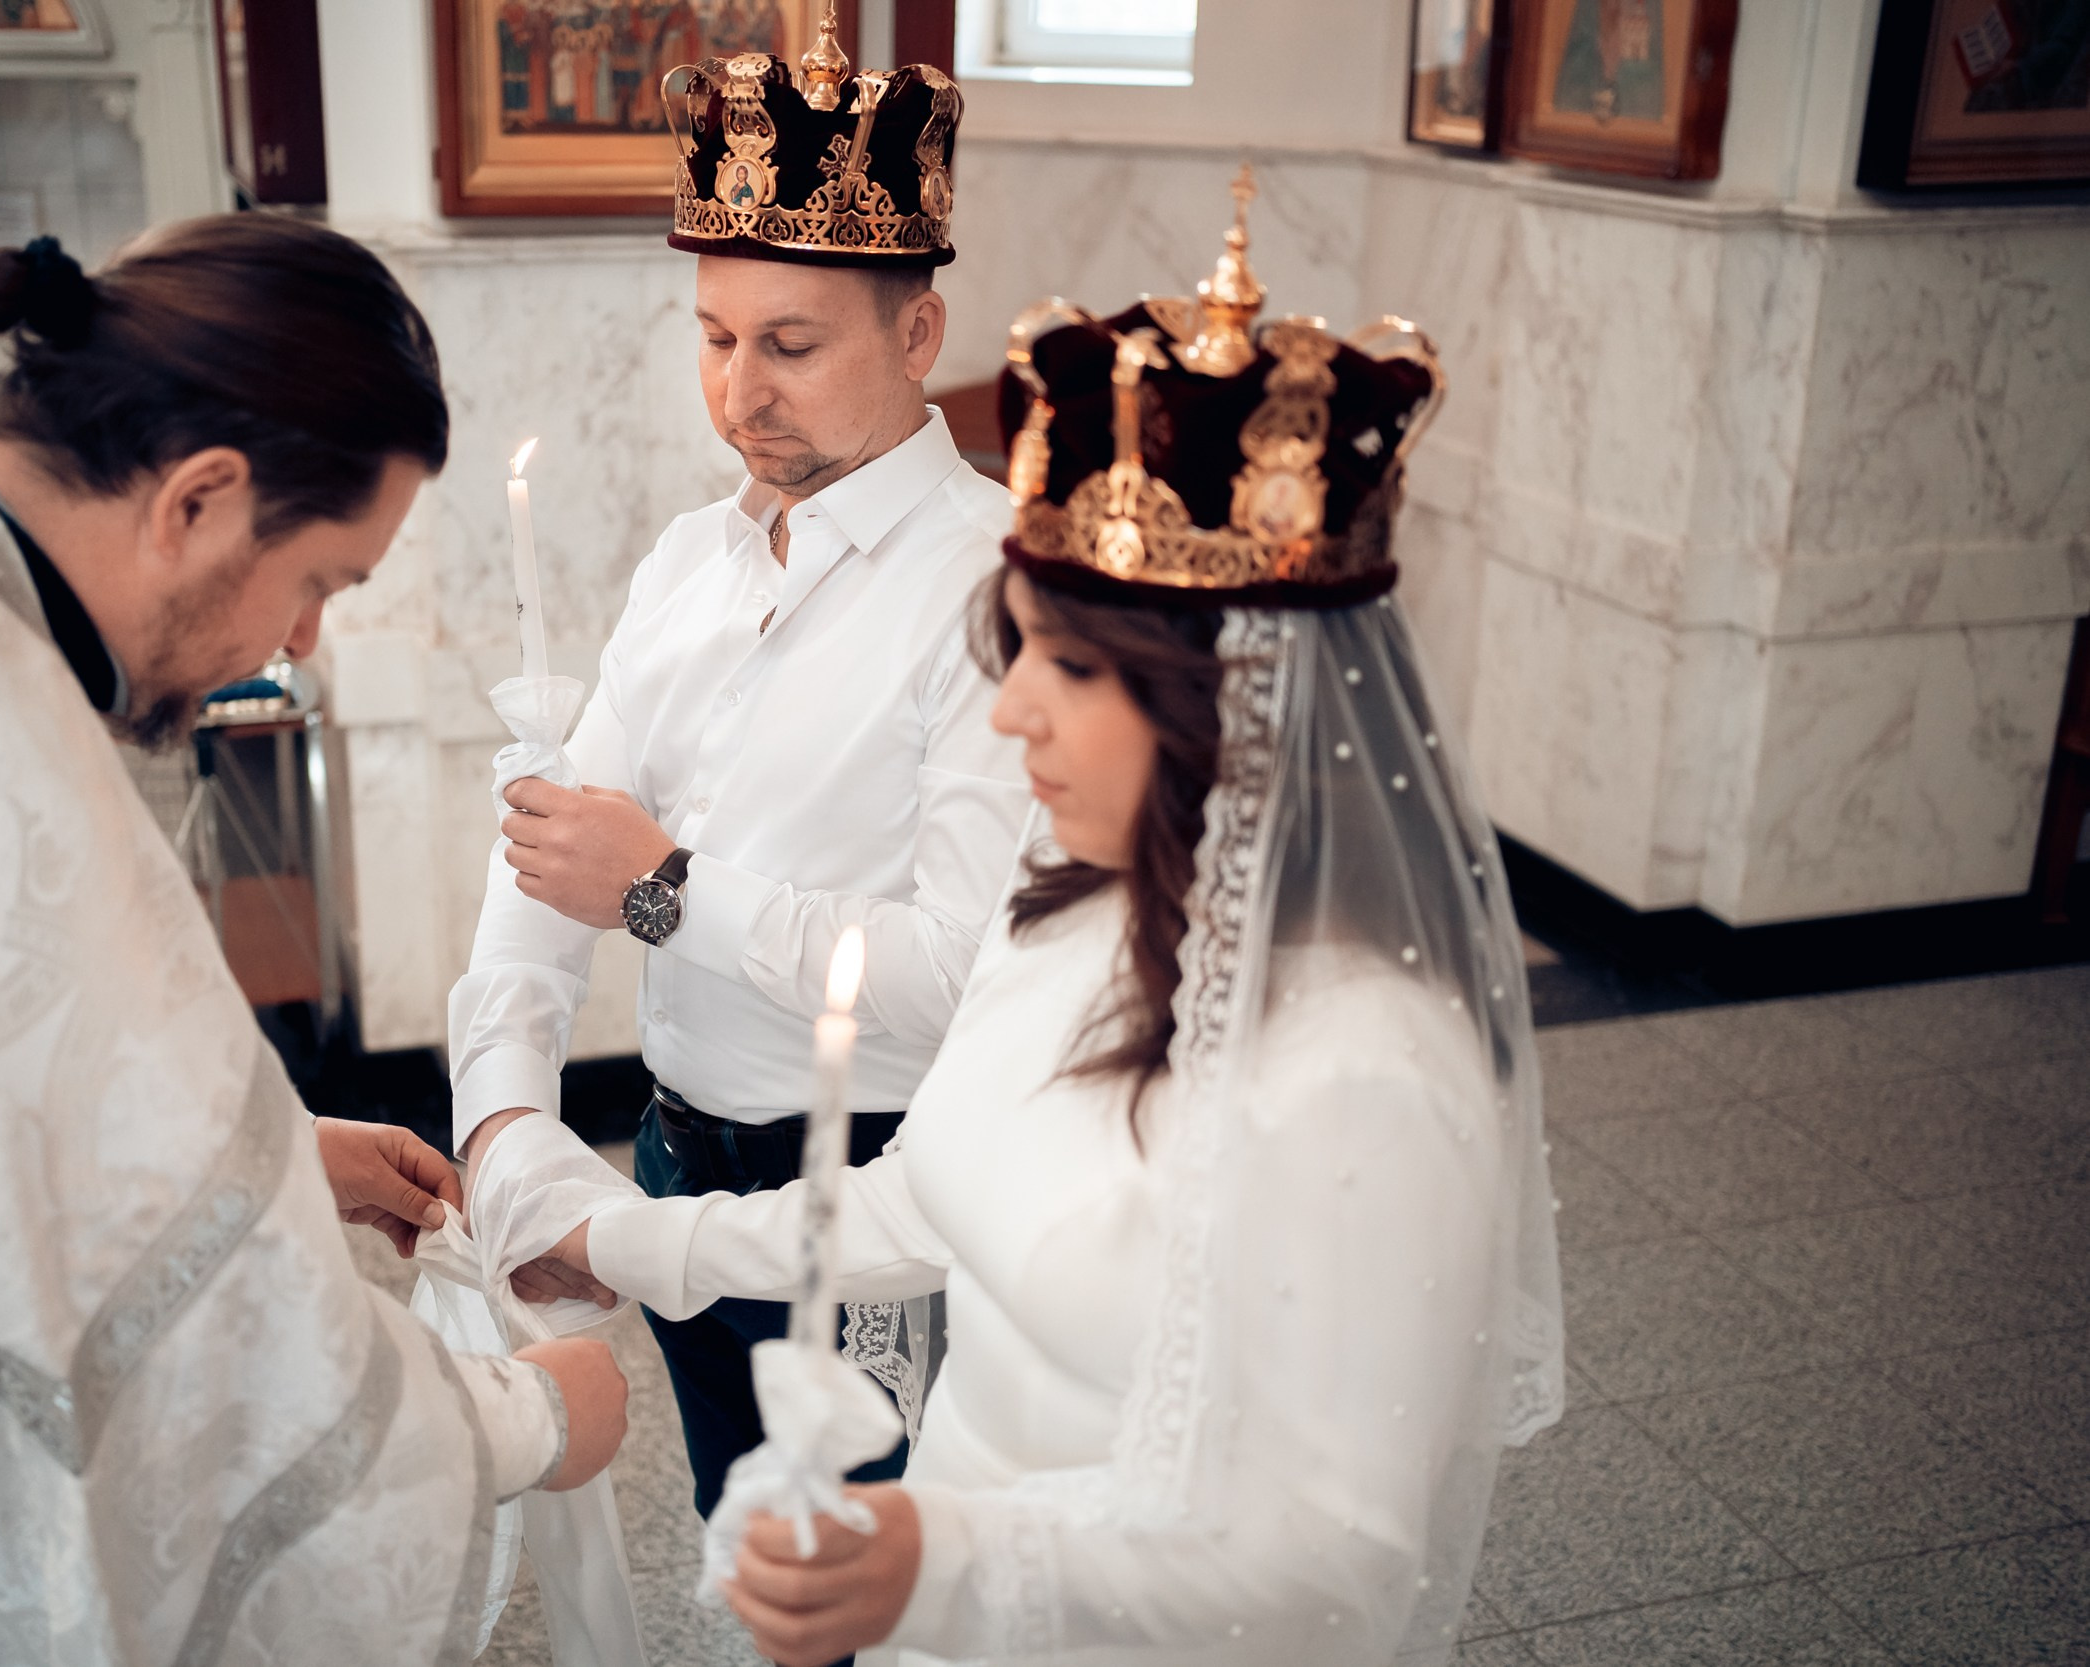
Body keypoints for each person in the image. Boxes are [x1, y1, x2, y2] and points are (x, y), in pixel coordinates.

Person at [539, 178, 1567, 1665]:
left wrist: (947, 1560)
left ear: (1227, 704)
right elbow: (920, 1202)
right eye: (1019, 653)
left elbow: (1339, 1560)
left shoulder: (1370, 1068)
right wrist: (632, 1244)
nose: (1013, 708)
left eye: (1070, 670)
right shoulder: (1069, 915)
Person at [0, 217, 625, 1663]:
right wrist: (531, 1416)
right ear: (198, 501)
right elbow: (210, 1401)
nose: (302, 642)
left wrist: (272, 1154)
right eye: (321, 580)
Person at [450, 17, 1028, 1529]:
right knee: (750, 1544)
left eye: (791, 345)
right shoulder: (689, 562)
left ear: (918, 335)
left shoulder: (997, 590)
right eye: (714, 338)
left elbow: (967, 976)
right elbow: (551, 855)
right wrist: (505, 1116)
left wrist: (666, 891)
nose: (739, 392)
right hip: (676, 1156)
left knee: (888, 1568)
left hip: (880, 1187)